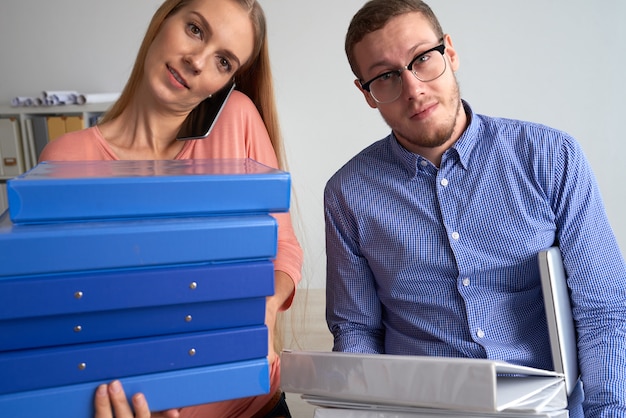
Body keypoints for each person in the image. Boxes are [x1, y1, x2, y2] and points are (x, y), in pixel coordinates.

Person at [324, 1, 626, 417]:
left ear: (449, 52)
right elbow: (356, 330)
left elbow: (604, 311)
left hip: (543, 406)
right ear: (366, 93)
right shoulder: (347, 194)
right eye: (387, 76)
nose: (414, 89)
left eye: (422, 59)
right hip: (417, 409)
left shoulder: (552, 157)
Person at [39, 0, 303, 417]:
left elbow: (284, 246)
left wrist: (265, 305)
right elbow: (61, 312)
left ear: (227, 81)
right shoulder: (67, 159)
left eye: (223, 61)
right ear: (164, 20)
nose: (197, 62)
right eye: (195, 29)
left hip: (255, 403)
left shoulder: (238, 118)